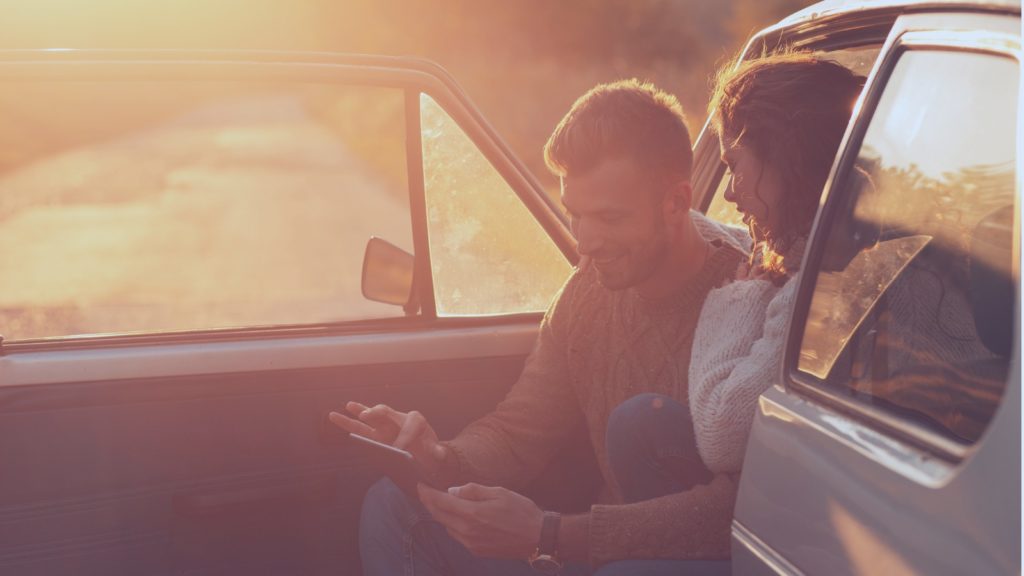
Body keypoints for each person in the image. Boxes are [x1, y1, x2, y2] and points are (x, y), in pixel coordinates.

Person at [330, 79, 747, 575]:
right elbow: (518, 430)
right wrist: (438, 456)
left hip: (670, 558)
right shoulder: (589, 291)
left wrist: (554, 534)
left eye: (609, 218)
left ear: (677, 203)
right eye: (575, 215)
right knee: (396, 508)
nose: (585, 244)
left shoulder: (746, 294)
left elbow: (745, 511)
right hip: (585, 547)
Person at [688, 53, 866, 473]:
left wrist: (738, 300)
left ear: (785, 160)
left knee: (644, 423)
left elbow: (720, 433)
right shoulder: (875, 252)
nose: (729, 194)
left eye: (733, 166)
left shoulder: (824, 290)